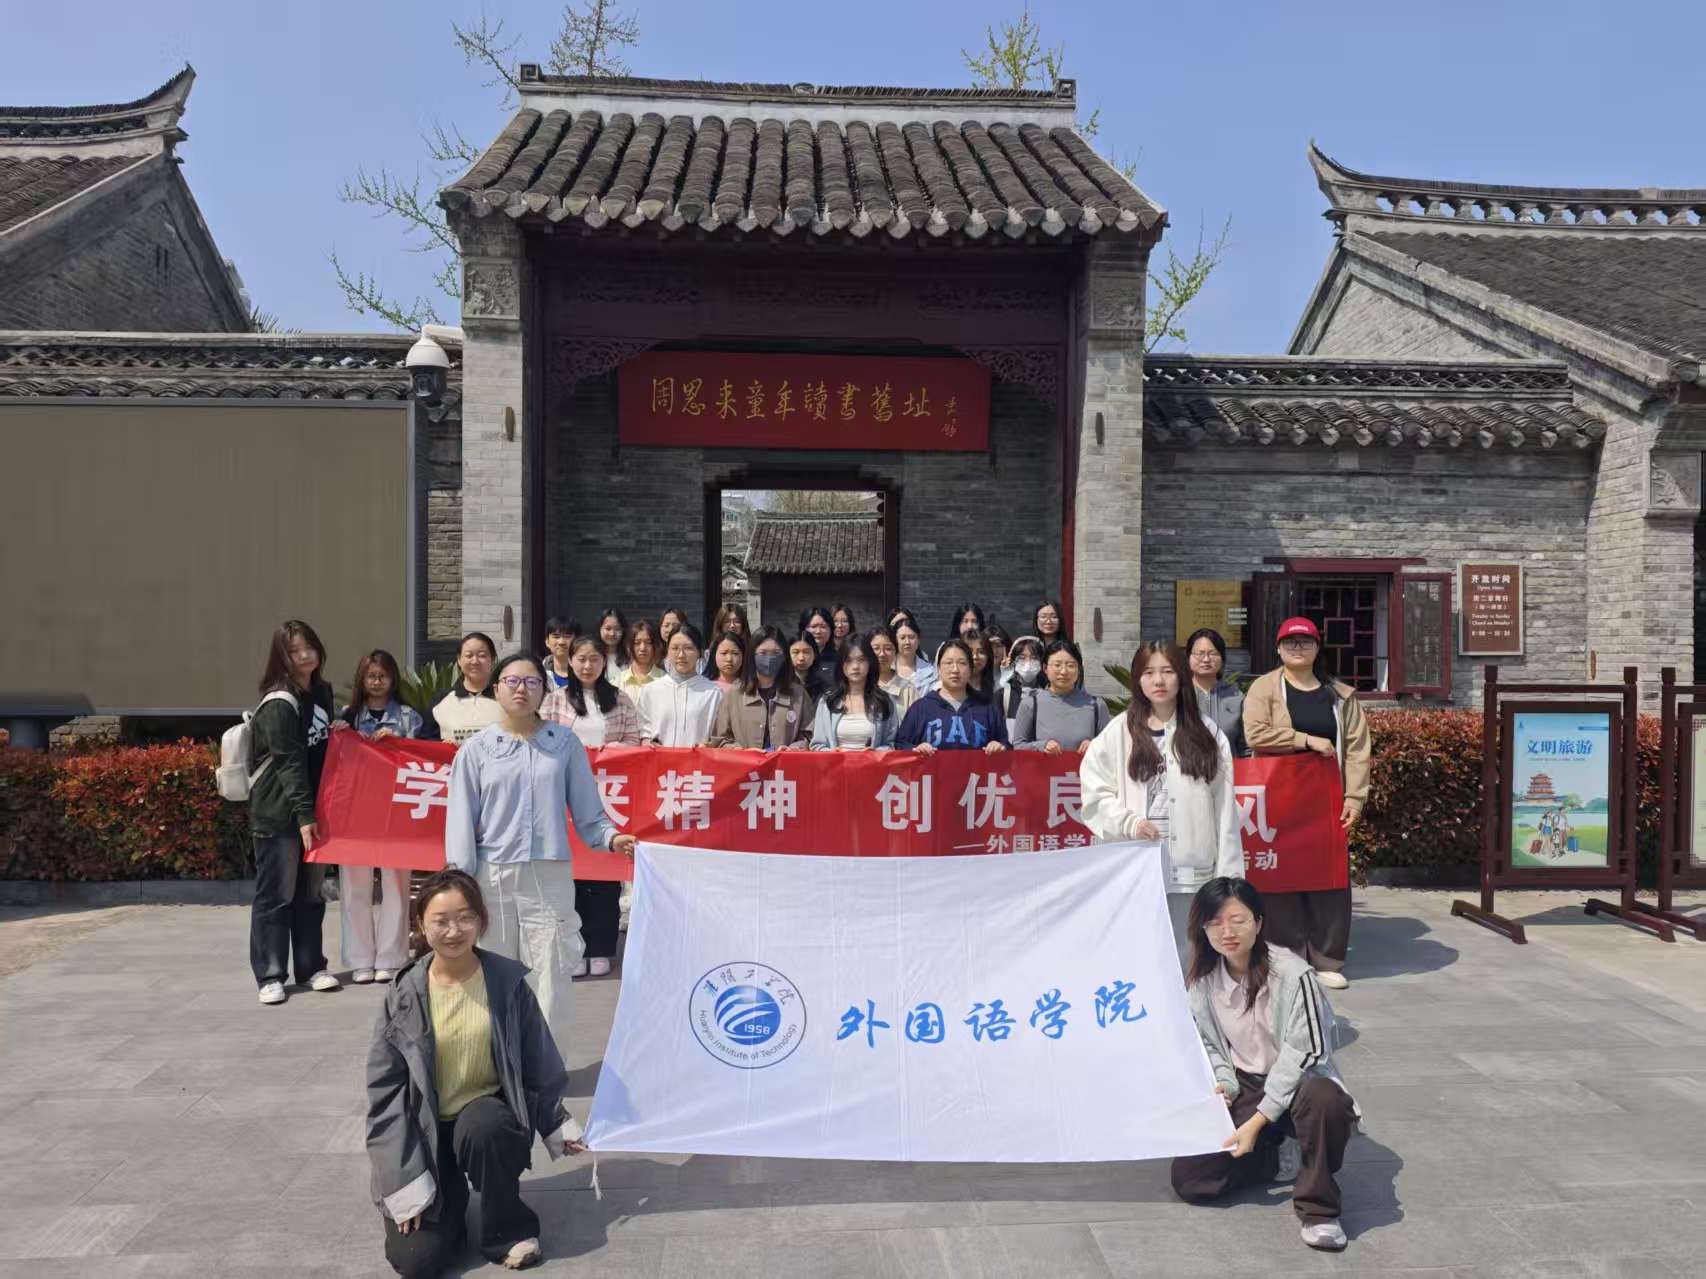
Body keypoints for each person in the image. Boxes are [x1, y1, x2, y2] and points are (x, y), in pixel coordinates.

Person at [366, 868, 589, 1277]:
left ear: (481, 921)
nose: (454, 931)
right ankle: (448, 1207)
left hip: (484, 1121)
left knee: (488, 1125)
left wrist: (555, 1120)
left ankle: (506, 1228)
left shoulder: (506, 983)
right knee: (419, 1262)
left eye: (465, 917)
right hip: (425, 1136)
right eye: (441, 920)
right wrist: (402, 1181)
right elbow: (386, 1098)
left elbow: (537, 1061)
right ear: (421, 924)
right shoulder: (403, 995)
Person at [446, 654, 637, 1060]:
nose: (521, 689)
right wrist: (460, 883)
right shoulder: (476, 750)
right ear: (496, 688)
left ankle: (546, 1072)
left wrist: (611, 838)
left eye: (532, 682)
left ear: (544, 691)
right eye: (512, 681)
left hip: (548, 878)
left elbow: (589, 814)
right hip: (491, 877)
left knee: (551, 975)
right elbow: (460, 822)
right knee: (493, 974)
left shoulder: (563, 745)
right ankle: (497, 1067)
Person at [1169, 877, 1358, 1254]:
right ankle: (1280, 1155)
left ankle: (1319, 1209)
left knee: (1326, 1100)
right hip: (1247, 1086)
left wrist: (1258, 1120)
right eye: (1215, 922)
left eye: (1237, 920)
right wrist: (1225, 1086)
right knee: (1191, 1179)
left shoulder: (1293, 974)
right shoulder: (1203, 983)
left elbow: (1307, 1051)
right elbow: (1210, 1047)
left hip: (1300, 1084)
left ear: (1258, 922)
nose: (1227, 932)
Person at [1079, 641, 1241, 967]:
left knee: (1189, 958)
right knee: (1135, 956)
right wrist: (1130, 823)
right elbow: (1095, 792)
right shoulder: (1118, 731)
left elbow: (1225, 810)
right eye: (1149, 672)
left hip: (1191, 871)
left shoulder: (1207, 734)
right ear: (1137, 679)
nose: (1158, 681)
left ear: (1181, 676)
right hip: (1135, 869)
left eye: (1167, 671)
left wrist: (1229, 879)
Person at [1242, 618, 1372, 990]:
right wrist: (1306, 740)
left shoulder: (1340, 695)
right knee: (1281, 875)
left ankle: (1327, 958)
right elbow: (1255, 733)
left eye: (1305, 642)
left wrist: (1355, 796)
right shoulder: (1265, 687)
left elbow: (1358, 749)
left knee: (1328, 877)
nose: (1297, 649)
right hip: (1279, 797)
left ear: (1317, 648)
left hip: (1326, 799)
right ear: (1278, 649)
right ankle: (1286, 957)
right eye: (1290, 643)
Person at [248, 620, 341, 1006]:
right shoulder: (280, 702)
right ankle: (270, 975)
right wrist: (304, 815)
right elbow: (288, 763)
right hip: (279, 814)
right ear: (281, 657)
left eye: (309, 647)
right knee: (277, 896)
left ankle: (311, 967)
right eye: (294, 651)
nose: (304, 656)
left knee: (310, 894)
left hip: (315, 812)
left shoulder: (321, 692)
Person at [539, 636, 639, 981]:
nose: (587, 665)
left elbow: (634, 741)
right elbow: (542, 740)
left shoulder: (620, 699)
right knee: (572, 874)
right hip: (565, 795)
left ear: (603, 663)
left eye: (594, 659)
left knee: (605, 873)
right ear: (570, 660)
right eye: (580, 659)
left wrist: (609, 751)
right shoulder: (555, 700)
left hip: (609, 794)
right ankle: (575, 948)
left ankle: (602, 947)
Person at [339, 650, 423, 983]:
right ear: (362, 679)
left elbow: (420, 759)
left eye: (383, 675)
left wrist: (398, 744)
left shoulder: (409, 717)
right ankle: (360, 960)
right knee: (354, 887)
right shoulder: (347, 717)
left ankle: (391, 957)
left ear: (393, 679)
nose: (376, 681)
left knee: (396, 886)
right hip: (355, 814)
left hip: (396, 811)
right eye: (371, 675)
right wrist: (341, 734)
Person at [706, 624, 813, 750]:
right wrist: (739, 750)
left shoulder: (799, 694)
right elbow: (720, 739)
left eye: (776, 653)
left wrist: (793, 749)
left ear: (784, 656)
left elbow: (809, 735)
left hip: (784, 762)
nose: (769, 659)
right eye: (763, 653)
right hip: (746, 762)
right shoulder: (734, 694)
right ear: (752, 655)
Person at [896, 639, 1008, 754]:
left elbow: (1006, 745)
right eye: (948, 663)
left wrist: (999, 746)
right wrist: (916, 749)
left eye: (962, 663)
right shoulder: (921, 708)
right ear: (938, 668)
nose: (955, 670)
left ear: (971, 669)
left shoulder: (987, 708)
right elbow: (901, 746)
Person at [1013, 638, 1109, 753]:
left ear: (1079, 669)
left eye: (1071, 665)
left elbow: (1110, 746)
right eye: (1057, 665)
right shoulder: (1030, 704)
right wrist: (1041, 746)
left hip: (1084, 765)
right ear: (1045, 668)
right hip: (1043, 765)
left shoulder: (1097, 705)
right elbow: (1018, 745)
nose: (1064, 672)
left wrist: (1095, 745)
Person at [635, 624, 723, 746]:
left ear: (700, 652)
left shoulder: (713, 693)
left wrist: (709, 745)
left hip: (697, 758)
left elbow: (720, 737)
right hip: (659, 757)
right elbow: (642, 731)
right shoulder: (650, 691)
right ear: (667, 651)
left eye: (688, 648)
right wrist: (646, 741)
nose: (681, 655)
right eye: (675, 648)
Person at [811, 633, 898, 750]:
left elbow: (892, 743)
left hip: (871, 762)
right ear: (841, 664)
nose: (855, 666)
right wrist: (832, 753)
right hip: (836, 762)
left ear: (870, 662)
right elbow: (817, 745)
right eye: (848, 660)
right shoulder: (828, 701)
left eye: (861, 660)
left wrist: (876, 752)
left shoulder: (885, 701)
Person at [432, 632, 503, 746]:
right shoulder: (442, 699)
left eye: (482, 655)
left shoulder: (505, 698)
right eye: (469, 656)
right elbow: (426, 741)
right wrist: (441, 745)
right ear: (459, 660)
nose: (475, 661)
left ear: (493, 659)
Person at [1187, 627, 1248, 758]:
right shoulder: (1179, 695)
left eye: (1213, 653)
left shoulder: (1236, 696)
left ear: (1222, 658)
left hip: (1230, 769)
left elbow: (1246, 746)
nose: (1206, 659)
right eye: (1199, 653)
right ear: (1188, 658)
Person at [999, 635, 1045, 741]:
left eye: (1034, 658)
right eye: (1021, 658)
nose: (1028, 663)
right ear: (1013, 662)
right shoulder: (1003, 695)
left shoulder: (1049, 695)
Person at [869, 625, 919, 716]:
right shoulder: (860, 686)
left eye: (888, 649)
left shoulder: (908, 690)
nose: (882, 654)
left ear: (895, 652)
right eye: (876, 648)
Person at [799, 607, 839, 698]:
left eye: (823, 627)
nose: (818, 631)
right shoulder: (792, 657)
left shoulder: (838, 659)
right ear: (803, 629)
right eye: (813, 627)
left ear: (831, 630)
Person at [891, 611, 935, 692]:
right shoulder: (887, 668)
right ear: (895, 640)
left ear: (918, 640)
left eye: (911, 637)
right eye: (902, 638)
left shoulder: (930, 672)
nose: (907, 642)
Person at [617, 618, 664, 693]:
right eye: (637, 643)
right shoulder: (617, 682)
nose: (642, 648)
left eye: (648, 642)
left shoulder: (664, 680)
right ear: (629, 647)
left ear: (656, 645)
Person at [540, 618, 581, 694]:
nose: (561, 642)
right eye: (556, 637)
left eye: (567, 636)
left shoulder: (586, 672)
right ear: (547, 642)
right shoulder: (538, 673)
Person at [961, 627, 998, 703]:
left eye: (981, 652)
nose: (975, 657)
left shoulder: (997, 689)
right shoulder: (946, 689)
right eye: (969, 651)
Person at [593, 609, 629, 683]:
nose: (612, 633)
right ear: (599, 629)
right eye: (608, 629)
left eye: (617, 629)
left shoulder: (630, 656)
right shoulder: (592, 655)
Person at [709, 630, 747, 694]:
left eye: (735, 653)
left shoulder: (751, 687)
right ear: (714, 655)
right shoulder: (706, 688)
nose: (729, 659)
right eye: (724, 653)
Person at [986, 625, 1013, 689]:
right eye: (990, 646)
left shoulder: (1014, 674)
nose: (994, 651)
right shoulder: (976, 675)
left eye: (998, 646)